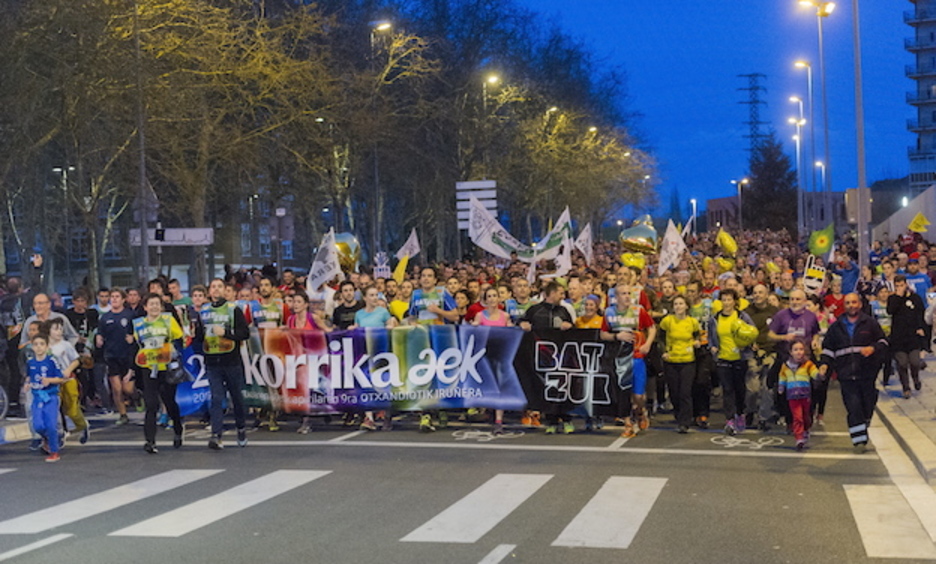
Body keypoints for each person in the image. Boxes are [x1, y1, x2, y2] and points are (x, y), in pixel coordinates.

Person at [820, 293, 887, 452]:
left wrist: (873, 348)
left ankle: (864, 422)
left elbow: (883, 341)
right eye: (848, 302)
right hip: (845, 374)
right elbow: (828, 349)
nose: (851, 305)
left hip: (867, 373)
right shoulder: (836, 327)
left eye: (854, 302)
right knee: (853, 406)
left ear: (860, 304)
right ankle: (859, 441)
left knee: (867, 405)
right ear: (844, 305)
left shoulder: (870, 323)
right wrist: (824, 365)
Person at [196, 278, 251, 450]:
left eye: (219, 286)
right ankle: (216, 435)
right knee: (216, 398)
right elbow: (199, 336)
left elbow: (245, 333)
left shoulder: (233, 309)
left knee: (237, 398)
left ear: (225, 290)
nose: (216, 290)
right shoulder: (203, 311)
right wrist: (196, 333)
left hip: (231, 360)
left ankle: (241, 428)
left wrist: (226, 333)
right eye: (213, 287)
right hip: (212, 361)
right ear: (209, 291)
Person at [600, 283, 656, 438]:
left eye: (628, 293)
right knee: (622, 393)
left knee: (638, 396)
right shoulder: (609, 312)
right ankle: (627, 424)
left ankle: (640, 411)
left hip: (637, 357)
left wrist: (647, 344)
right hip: (619, 359)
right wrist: (616, 336)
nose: (626, 297)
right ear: (616, 297)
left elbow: (652, 327)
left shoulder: (638, 311)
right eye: (623, 293)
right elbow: (603, 334)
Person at [133, 293, 185, 453]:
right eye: (151, 304)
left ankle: (178, 428)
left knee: (169, 402)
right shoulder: (138, 324)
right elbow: (137, 345)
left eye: (157, 304)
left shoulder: (169, 320)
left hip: (167, 367)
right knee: (151, 404)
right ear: (145, 307)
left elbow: (179, 339)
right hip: (148, 368)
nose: (154, 307)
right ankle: (150, 441)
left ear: (161, 306)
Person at [708, 288, 756, 435]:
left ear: (735, 301)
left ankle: (740, 414)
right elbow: (711, 336)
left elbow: (752, 331)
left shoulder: (742, 316)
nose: (727, 303)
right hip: (723, 358)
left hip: (740, 358)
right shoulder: (715, 319)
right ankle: (729, 419)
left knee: (740, 389)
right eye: (724, 299)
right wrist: (712, 347)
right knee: (727, 390)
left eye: (729, 299)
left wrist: (750, 343)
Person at [659, 295, 700, 433]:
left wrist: (696, 342)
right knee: (674, 392)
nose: (678, 306)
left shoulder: (692, 322)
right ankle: (678, 414)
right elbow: (661, 338)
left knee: (685, 392)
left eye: (681, 303)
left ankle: (685, 422)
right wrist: (664, 351)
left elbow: (697, 335)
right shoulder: (667, 321)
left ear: (686, 306)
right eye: (676, 304)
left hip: (688, 360)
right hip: (671, 360)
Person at [96, 289, 138, 425]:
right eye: (112, 297)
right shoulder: (105, 317)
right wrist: (99, 338)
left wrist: (134, 338)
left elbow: (139, 331)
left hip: (127, 355)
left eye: (117, 297)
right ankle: (123, 414)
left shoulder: (130, 315)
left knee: (128, 389)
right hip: (111, 355)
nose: (114, 299)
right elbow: (100, 333)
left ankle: (137, 396)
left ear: (123, 299)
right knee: (116, 388)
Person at [45, 318, 89, 445]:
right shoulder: (44, 345)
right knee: (56, 409)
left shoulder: (66, 345)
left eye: (60, 329)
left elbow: (76, 360)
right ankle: (60, 433)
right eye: (56, 329)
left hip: (68, 380)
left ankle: (82, 425)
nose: (59, 332)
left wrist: (68, 370)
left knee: (72, 409)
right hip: (53, 382)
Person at [26, 332, 67, 462]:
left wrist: (50, 380)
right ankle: (47, 438)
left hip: (50, 396)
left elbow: (61, 378)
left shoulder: (51, 361)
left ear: (47, 346)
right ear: (32, 347)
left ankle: (54, 451)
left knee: (50, 424)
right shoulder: (30, 362)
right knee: (38, 425)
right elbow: (29, 376)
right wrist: (27, 384)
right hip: (37, 396)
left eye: (41, 344)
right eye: (36, 344)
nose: (39, 347)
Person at [887, 275, 926, 398]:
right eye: (897, 285)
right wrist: (898, 296)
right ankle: (906, 387)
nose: (900, 288)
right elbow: (890, 310)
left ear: (906, 284)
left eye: (901, 285)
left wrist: (920, 328)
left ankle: (915, 378)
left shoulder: (914, 298)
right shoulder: (893, 299)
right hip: (898, 337)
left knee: (915, 362)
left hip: (912, 336)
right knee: (902, 363)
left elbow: (920, 313)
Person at [778, 339, 820, 451]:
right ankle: (799, 438)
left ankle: (806, 429)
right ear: (791, 352)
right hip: (792, 396)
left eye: (801, 349)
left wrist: (819, 375)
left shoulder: (808, 364)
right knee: (797, 417)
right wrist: (781, 386)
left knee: (806, 416)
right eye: (796, 350)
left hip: (805, 395)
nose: (799, 352)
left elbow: (814, 372)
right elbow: (782, 376)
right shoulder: (786, 366)